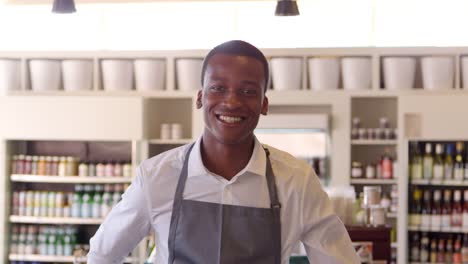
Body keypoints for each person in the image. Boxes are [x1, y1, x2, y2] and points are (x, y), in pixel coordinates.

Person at [88, 40, 360, 264]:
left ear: (264, 104)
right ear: (200, 97)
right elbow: (101, 255)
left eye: (247, 91)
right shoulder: (157, 176)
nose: (232, 101)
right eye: (218, 88)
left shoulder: (296, 181)